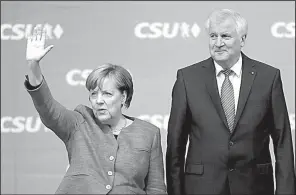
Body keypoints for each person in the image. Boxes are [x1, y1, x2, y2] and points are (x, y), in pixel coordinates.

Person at [166, 9, 295, 195]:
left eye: (225, 36)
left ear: (242, 40)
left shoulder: (268, 77)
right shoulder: (188, 78)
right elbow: (175, 146)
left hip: (255, 186)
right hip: (201, 187)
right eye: (213, 36)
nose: (218, 43)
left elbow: (283, 142)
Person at [24, 26, 167, 194]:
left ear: (123, 96)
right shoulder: (79, 122)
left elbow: (156, 188)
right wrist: (33, 66)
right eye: (93, 94)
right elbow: (48, 108)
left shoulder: (149, 133)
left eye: (107, 94)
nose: (98, 101)